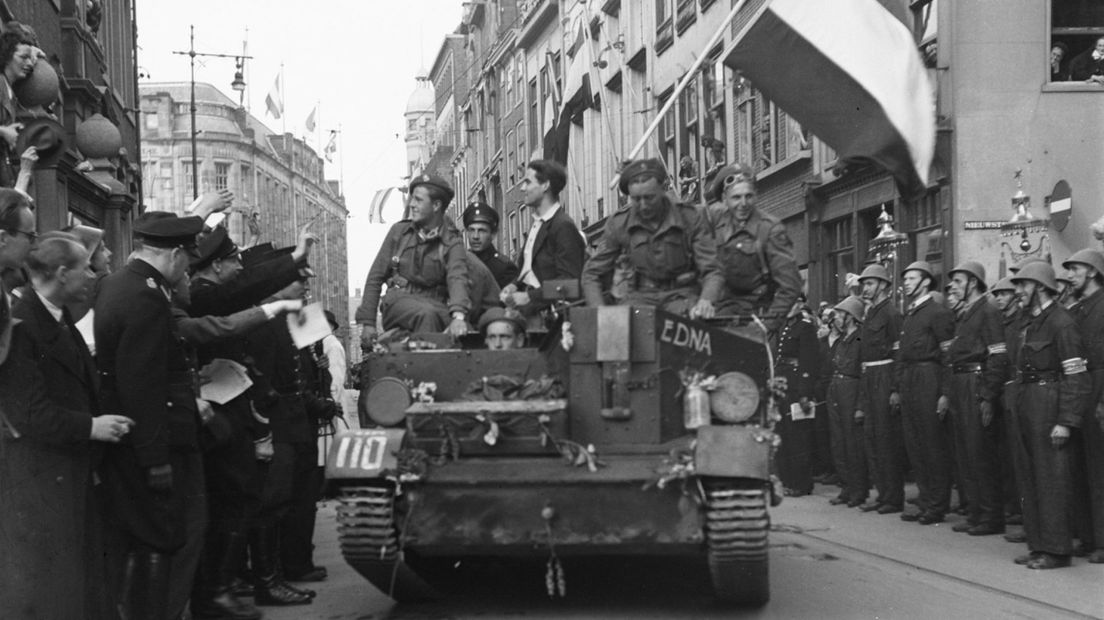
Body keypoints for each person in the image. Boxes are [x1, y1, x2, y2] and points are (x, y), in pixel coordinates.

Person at [0, 225, 134, 620]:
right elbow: (30, 414)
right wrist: (92, 427)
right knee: (60, 591)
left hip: (66, 471)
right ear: (62, 273)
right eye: (84, 270)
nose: (91, 277)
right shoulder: (24, 326)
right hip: (44, 479)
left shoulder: (54, 318)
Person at [187, 225, 314, 619]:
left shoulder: (218, 296)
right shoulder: (208, 296)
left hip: (247, 409)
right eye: (232, 261)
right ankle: (241, 586)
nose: (237, 269)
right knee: (249, 500)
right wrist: (290, 260)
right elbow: (241, 298)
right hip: (230, 411)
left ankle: (248, 584)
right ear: (216, 264)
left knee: (253, 499)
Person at [94, 211, 208, 619]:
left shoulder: (119, 284)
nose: (187, 270)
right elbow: (141, 384)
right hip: (156, 445)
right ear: (176, 254)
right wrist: (155, 457)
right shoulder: (146, 296)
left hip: (137, 441)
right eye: (188, 261)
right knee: (167, 538)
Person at [1009, 261, 1090, 569]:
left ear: (1039, 287)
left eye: (1022, 285)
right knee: (1030, 477)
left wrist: (1066, 421)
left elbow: (1076, 375)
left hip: (1050, 402)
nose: (1018, 291)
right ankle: (1038, 544)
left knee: (1051, 479)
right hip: (1027, 399)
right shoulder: (1028, 321)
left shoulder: (1062, 322)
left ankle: (1057, 550)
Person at [581, 158, 722, 318]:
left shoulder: (689, 218)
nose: (643, 205)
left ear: (662, 190)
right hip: (639, 301)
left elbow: (712, 269)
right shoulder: (619, 223)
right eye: (636, 199)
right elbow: (592, 273)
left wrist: (706, 300)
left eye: (649, 198)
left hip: (682, 298)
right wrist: (600, 312)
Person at [356, 173, 470, 347]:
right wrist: (368, 323)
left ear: (436, 205)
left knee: (456, 333)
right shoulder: (399, 233)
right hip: (399, 301)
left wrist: (459, 316)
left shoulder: (451, 241)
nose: (411, 205)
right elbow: (375, 277)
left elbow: (458, 276)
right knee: (426, 316)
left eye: (418, 200)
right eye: (412, 199)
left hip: (435, 304)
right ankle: (425, 369)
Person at [941, 261, 1007, 536]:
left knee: (980, 452)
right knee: (966, 452)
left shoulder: (988, 310)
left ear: (973, 282)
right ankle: (976, 512)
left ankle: (991, 517)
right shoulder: (967, 313)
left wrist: (987, 396)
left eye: (958, 281)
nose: (954, 287)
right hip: (961, 383)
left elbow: (999, 355)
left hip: (975, 383)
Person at [706, 163, 802, 333]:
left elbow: (791, 285)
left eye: (748, 196)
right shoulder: (715, 225)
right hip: (716, 322)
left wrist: (765, 327)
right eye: (736, 197)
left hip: (753, 320)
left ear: (756, 196)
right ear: (724, 199)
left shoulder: (770, 229)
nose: (743, 203)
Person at [895, 261, 955, 525]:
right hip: (910, 379)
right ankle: (926, 499)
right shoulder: (910, 314)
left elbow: (948, 356)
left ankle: (937, 505)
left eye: (912, 278)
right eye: (905, 279)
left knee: (932, 444)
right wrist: (897, 387)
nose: (906, 283)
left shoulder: (938, 313)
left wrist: (944, 392)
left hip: (929, 377)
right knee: (915, 444)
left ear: (926, 282)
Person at [1062, 249, 1104, 563]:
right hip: (1080, 388)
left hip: (1100, 387)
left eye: (1075, 270)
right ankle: (1087, 536)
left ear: (1091, 271)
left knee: (1100, 469)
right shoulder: (1076, 310)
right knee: (1080, 466)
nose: (1071, 276)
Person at [501, 159, 586, 314]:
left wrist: (529, 296)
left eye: (528, 182)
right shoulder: (538, 224)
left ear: (545, 185)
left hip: (554, 318)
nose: (522, 188)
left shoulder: (563, 226)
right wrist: (514, 285)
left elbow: (569, 284)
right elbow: (528, 271)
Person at [853, 263, 906, 515]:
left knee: (886, 440)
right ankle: (883, 493)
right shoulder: (870, 313)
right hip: (870, 375)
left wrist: (895, 388)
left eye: (871, 283)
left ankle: (893, 497)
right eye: (864, 284)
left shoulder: (891, 314)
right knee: (872, 437)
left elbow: (898, 352)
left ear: (883, 285)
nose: (866, 288)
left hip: (885, 375)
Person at [991, 276, 1027, 544]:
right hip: (1004, 388)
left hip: (1017, 387)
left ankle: (1021, 509)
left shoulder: (1020, 321)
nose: (1000, 298)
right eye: (998, 295)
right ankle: (1014, 506)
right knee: (1005, 453)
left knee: (1020, 453)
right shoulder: (1000, 322)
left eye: (1005, 294)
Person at [774, 297, 820, 496]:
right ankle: (788, 480)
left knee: (798, 437)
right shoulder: (785, 326)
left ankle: (802, 483)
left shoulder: (806, 327)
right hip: (783, 383)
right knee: (783, 433)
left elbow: (809, 362)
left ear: (800, 305)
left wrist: (805, 392)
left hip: (796, 385)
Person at [827, 296, 869, 508]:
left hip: (851, 390)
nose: (838, 318)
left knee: (853, 444)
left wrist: (861, 405)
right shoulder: (842, 340)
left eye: (842, 314)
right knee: (838, 442)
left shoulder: (860, 340)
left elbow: (863, 374)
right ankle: (846, 487)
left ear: (851, 317)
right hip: (836, 389)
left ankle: (858, 490)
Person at [0, 26, 35, 188]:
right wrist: (4, 131)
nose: (29, 63)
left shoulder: (10, 91)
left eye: (30, 58)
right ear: (7, 56)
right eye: (23, 57)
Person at [462, 200, 519, 288]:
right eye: (471, 230)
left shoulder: (504, 268)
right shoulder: (460, 263)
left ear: (493, 234)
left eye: (482, 231)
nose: (475, 236)